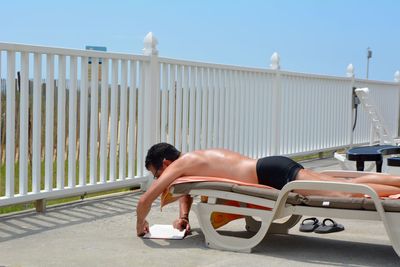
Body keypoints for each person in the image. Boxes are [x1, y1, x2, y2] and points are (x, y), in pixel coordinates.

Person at [136, 142, 400, 236]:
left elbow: (143, 201)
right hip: (271, 169)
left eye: (157, 173)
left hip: (271, 172)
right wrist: (183, 217)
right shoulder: (190, 161)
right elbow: (187, 191)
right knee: (347, 186)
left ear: (166, 164)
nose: (159, 178)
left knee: (347, 193)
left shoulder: (180, 166)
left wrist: (141, 226)